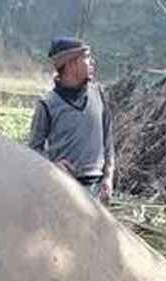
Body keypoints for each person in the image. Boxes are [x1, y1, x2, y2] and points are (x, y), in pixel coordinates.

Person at [28, 38, 115, 204]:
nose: (92, 63)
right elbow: (33, 151)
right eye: (87, 58)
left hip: (97, 189)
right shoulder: (47, 104)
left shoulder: (99, 95)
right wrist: (52, 165)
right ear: (70, 64)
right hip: (63, 190)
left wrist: (108, 178)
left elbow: (108, 141)